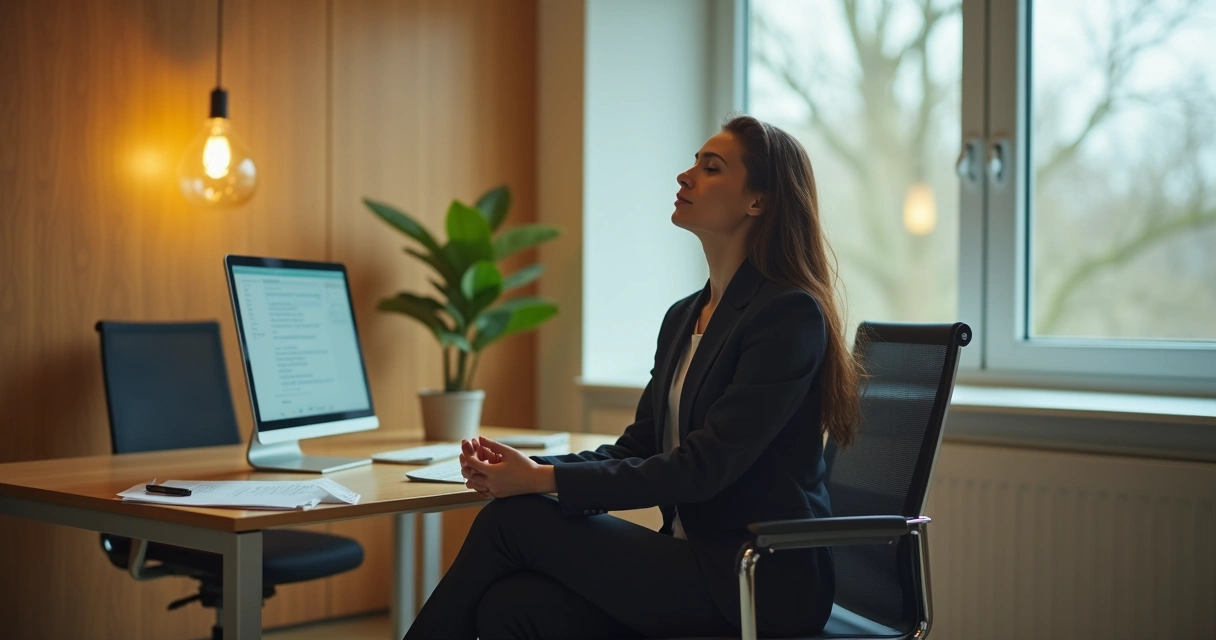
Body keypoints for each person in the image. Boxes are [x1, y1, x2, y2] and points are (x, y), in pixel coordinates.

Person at [403, 114, 863, 640]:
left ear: (758, 202)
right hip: (694, 561)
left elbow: (703, 469)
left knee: (512, 523)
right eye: (693, 163)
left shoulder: (787, 314)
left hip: (758, 580)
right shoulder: (684, 316)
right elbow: (638, 447)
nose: (685, 177)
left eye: (710, 168)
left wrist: (543, 482)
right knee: (511, 606)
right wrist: (532, 468)